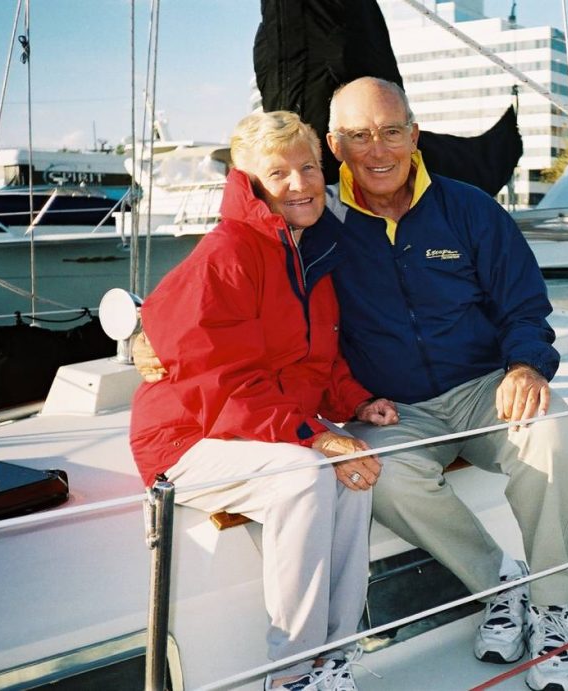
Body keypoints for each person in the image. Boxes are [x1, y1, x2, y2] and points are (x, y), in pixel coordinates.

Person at [325, 77, 568, 691]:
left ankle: (552, 610)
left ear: (414, 135)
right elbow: (261, 293)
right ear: (336, 146)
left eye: (392, 131)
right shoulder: (321, 224)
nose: (379, 150)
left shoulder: (468, 208)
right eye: (360, 135)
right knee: (374, 471)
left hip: (483, 386)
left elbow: (525, 305)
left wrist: (524, 366)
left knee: (549, 434)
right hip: (394, 407)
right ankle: (499, 583)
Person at [128, 110, 398, 691]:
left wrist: (355, 402)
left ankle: (333, 655)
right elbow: (224, 384)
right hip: (188, 437)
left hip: (254, 430)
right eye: (280, 173)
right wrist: (315, 435)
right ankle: (293, 673)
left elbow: (316, 359)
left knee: (353, 476)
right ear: (248, 181)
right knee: (306, 471)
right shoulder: (229, 254)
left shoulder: (308, 252)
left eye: (308, 168)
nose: (300, 183)